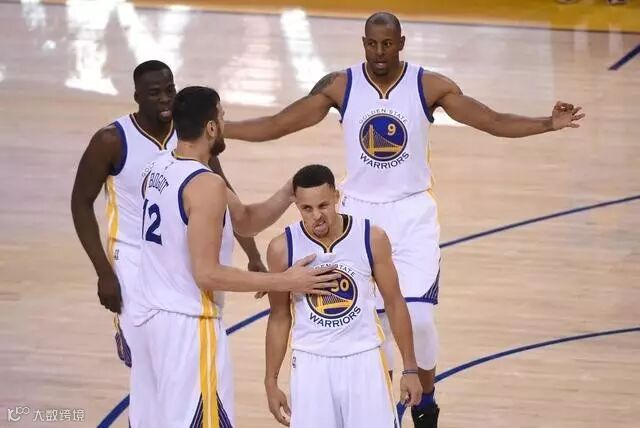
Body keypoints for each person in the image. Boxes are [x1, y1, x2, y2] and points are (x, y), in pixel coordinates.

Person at [223, 12, 585, 427]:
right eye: (372, 44)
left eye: (387, 44)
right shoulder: (341, 85)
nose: (379, 52)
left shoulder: (428, 85)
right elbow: (277, 125)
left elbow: (492, 121)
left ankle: (425, 399)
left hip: (411, 213)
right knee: (366, 323)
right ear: (363, 43)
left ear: (401, 42)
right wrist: (218, 131)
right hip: (358, 212)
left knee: (420, 320)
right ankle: (380, 410)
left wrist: (548, 124)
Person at [69, 60, 266, 427]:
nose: (164, 99)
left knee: (166, 370)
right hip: (132, 259)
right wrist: (103, 272)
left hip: (176, 257)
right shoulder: (112, 140)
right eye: (154, 93)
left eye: (170, 90)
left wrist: (252, 253)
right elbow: (80, 202)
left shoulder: (190, 136)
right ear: (136, 97)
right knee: (147, 365)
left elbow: (224, 198)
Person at [129, 86, 340, 427]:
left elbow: (244, 221)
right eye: (222, 117)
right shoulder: (205, 184)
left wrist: (288, 192)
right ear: (211, 127)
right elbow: (207, 274)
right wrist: (284, 280)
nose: (224, 124)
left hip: (148, 319)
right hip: (187, 325)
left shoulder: (157, 167)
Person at [264, 164, 422, 428]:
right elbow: (279, 317)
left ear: (337, 197)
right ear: (297, 206)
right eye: (307, 209)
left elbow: (395, 303)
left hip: (364, 359)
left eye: (323, 205)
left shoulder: (371, 238)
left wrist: (410, 368)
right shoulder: (282, 249)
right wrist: (271, 381)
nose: (317, 216)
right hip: (311, 364)